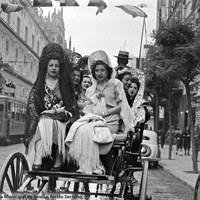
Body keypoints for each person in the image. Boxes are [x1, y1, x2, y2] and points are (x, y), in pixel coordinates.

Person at [65, 50, 132, 175]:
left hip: (111, 119)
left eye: (102, 70)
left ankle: (98, 165)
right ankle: (86, 164)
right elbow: (89, 107)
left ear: (108, 71)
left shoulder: (116, 84)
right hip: (95, 119)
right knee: (81, 130)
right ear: (93, 72)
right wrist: (92, 114)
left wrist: (105, 113)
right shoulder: (91, 89)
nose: (99, 73)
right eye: (97, 71)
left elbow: (121, 106)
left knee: (94, 131)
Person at [23, 43, 79, 171]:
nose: (54, 68)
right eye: (51, 65)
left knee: (50, 122)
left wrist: (62, 111)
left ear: (60, 68)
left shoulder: (64, 84)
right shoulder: (40, 84)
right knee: (42, 121)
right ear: (46, 66)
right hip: (43, 117)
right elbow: (32, 102)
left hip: (62, 118)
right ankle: (39, 155)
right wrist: (38, 115)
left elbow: (71, 104)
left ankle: (58, 159)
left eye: (57, 66)